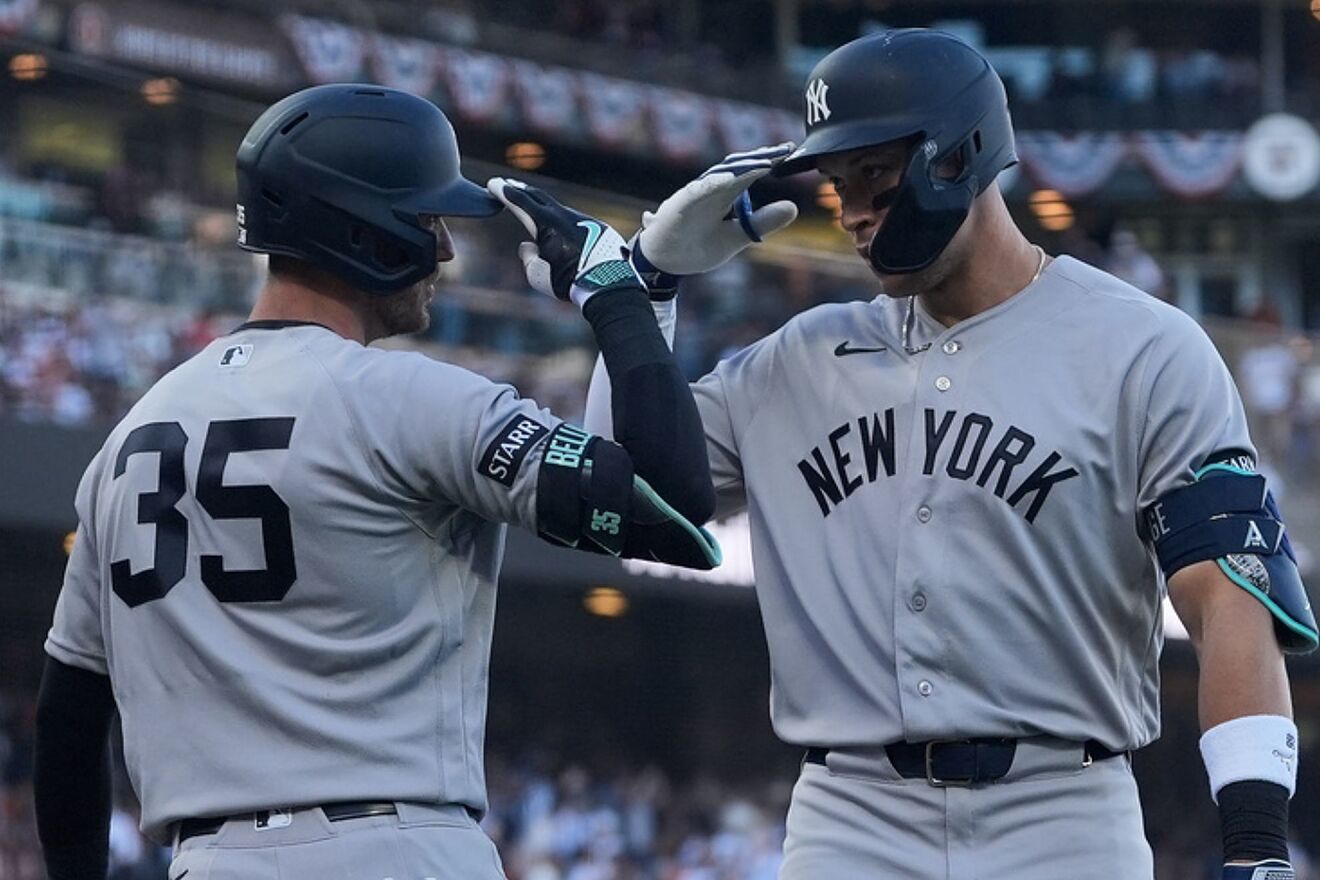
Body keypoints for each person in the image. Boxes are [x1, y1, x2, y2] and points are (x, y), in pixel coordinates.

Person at [588, 29, 1316, 880]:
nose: (852, 212)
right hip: (849, 815)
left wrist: (1257, 844)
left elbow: (1228, 593)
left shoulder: (1143, 347)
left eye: (875, 175)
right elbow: (622, 494)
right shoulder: (793, 361)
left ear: (959, 157)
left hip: (1064, 811)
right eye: (838, 184)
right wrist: (646, 288)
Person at [32, 84, 719, 880]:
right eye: (427, 221)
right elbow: (675, 508)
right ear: (362, 228)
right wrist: (623, 294)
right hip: (394, 847)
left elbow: (67, 720)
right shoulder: (411, 399)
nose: (444, 251)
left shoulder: (127, 441)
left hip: (209, 861)